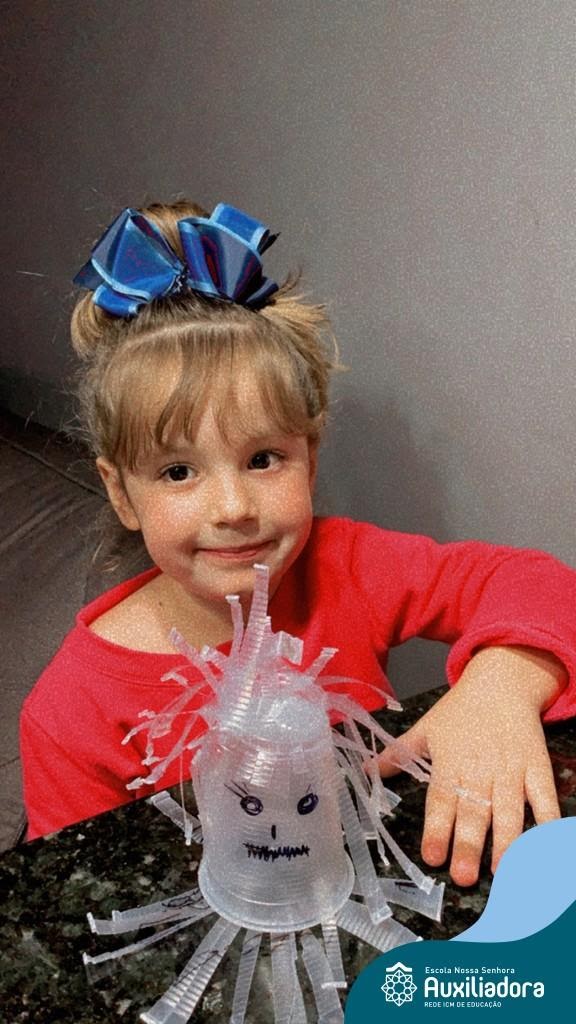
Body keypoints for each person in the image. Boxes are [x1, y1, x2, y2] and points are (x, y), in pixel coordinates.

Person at [20, 199, 576, 888]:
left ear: (309, 462)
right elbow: (75, 894)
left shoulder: (347, 566)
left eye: (263, 459)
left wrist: (502, 685)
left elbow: (538, 583)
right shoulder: (69, 712)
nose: (233, 508)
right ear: (122, 494)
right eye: (178, 472)